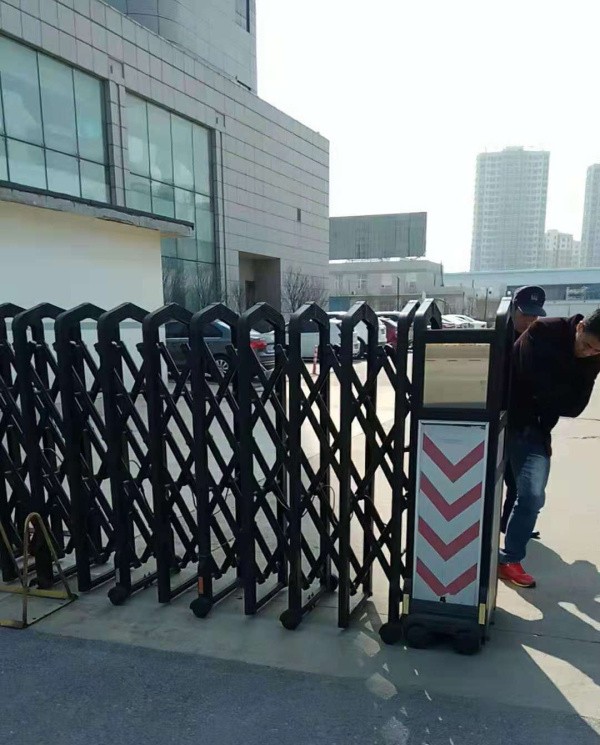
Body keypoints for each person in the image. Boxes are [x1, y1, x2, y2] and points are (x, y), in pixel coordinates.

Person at [499, 309, 600, 588]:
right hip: (498, 419)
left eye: (596, 351)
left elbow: (575, 407)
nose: (589, 353)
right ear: (580, 327)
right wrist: (556, 392)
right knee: (478, 489)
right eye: (587, 345)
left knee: (531, 495)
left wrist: (549, 393)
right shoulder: (543, 330)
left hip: (534, 430)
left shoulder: (594, 358)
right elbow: (531, 382)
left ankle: (509, 559)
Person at [500, 286, 547, 535]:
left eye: (535, 315)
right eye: (525, 313)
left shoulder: (539, 342)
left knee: (519, 482)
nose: (530, 319)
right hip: (497, 420)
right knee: (496, 478)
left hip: (524, 425)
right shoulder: (499, 338)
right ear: (513, 310)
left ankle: (510, 526)